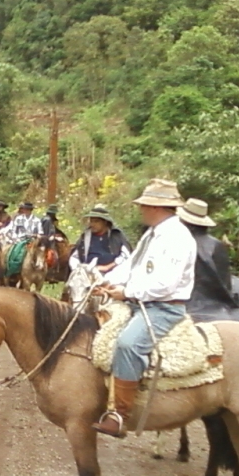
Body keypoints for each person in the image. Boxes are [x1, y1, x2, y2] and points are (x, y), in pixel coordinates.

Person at [93, 179, 196, 438]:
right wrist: (108, 281)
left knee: (128, 343)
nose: (140, 210)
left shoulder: (177, 238)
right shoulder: (153, 234)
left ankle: (120, 414)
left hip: (162, 307)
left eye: (143, 206)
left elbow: (165, 284)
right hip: (140, 302)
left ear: (154, 207)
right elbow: (132, 266)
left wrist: (127, 292)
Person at [180, 198, 239, 323]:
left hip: (186, 305)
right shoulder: (216, 244)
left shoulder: (179, 242)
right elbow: (225, 284)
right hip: (220, 307)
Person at [69, 204, 131, 278]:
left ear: (105, 222)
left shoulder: (116, 235)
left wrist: (108, 267)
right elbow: (74, 257)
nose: (92, 224)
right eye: (91, 221)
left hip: (113, 273)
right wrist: (80, 270)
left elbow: (126, 256)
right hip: (87, 274)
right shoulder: (85, 237)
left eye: (96, 221)